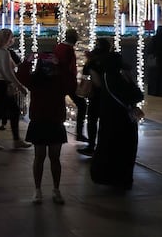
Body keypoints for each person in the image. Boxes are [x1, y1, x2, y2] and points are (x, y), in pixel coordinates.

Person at [16, 43, 77, 203]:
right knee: (45, 157)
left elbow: (71, 83)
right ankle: (43, 190)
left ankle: (47, 190)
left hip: (47, 120)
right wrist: (29, 61)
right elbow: (21, 75)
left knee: (45, 157)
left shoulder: (51, 81)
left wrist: (29, 61)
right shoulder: (44, 81)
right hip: (48, 120)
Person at [89, 48, 144, 190]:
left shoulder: (106, 76)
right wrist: (131, 80)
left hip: (109, 120)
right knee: (123, 151)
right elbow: (137, 95)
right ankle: (121, 178)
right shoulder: (119, 79)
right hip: (123, 122)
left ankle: (105, 176)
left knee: (108, 148)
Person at [0, 29, 30, 151]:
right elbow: (8, 72)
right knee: (1, 113)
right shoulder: (4, 52)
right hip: (2, 84)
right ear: (7, 39)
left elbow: (1, 68)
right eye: (11, 37)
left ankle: (15, 140)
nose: (12, 39)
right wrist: (20, 86)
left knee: (8, 112)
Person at [77, 37, 112, 155]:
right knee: (105, 122)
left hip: (96, 94)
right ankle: (104, 147)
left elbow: (86, 72)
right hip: (109, 94)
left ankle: (92, 146)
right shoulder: (111, 58)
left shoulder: (94, 59)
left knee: (92, 120)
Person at [62, 27, 87, 141]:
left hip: (63, 83)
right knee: (82, 105)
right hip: (67, 83)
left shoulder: (61, 47)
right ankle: (79, 133)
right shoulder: (68, 50)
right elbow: (69, 68)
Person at [146, 25, 162, 97]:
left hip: (155, 60)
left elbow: (150, 49)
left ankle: (153, 91)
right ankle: (161, 92)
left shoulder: (154, 39)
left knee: (154, 77)